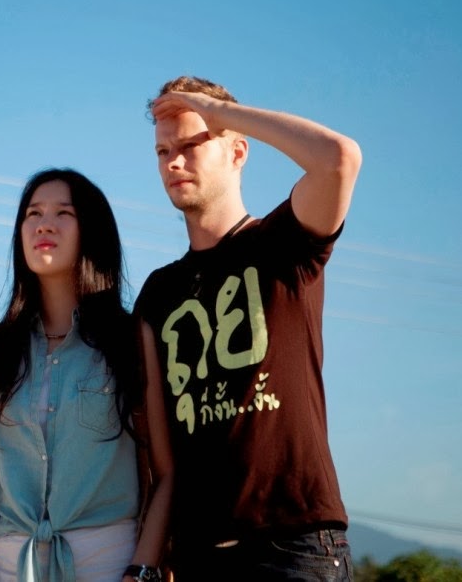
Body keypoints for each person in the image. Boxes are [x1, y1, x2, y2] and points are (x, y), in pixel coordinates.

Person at [133, 76, 362, 580]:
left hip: (295, 546)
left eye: (191, 145)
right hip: (197, 555)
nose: (173, 163)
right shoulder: (158, 293)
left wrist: (217, 112)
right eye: (163, 151)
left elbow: (339, 158)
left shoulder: (283, 244)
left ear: (237, 151)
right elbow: (154, 449)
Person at [0, 168, 173, 582]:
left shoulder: (131, 339)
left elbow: (165, 474)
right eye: (33, 213)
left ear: (92, 230)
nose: (44, 224)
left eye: (63, 213)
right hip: (9, 567)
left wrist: (141, 569)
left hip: (109, 565)